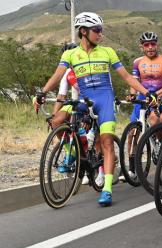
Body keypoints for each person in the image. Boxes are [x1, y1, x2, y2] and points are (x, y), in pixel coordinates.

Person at [33, 12, 154, 207]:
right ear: (83, 31)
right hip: (84, 99)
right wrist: (42, 92)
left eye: (101, 30)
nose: (100, 34)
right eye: (97, 30)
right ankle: (73, 154)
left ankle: (106, 188)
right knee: (58, 119)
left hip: (104, 100)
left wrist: (146, 93)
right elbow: (57, 76)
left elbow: (126, 77)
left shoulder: (107, 52)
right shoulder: (70, 54)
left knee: (106, 142)